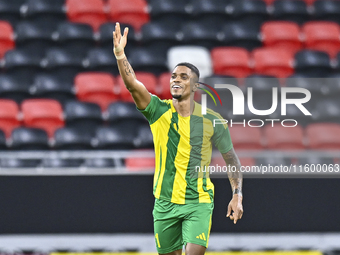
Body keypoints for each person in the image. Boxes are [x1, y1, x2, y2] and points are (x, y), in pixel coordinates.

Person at [113, 22, 243, 255]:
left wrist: (237, 195)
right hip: (164, 204)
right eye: (173, 76)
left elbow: (231, 159)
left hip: (199, 202)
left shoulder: (212, 120)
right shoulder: (158, 111)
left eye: (183, 77)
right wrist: (121, 56)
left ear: (195, 86)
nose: (176, 80)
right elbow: (133, 85)